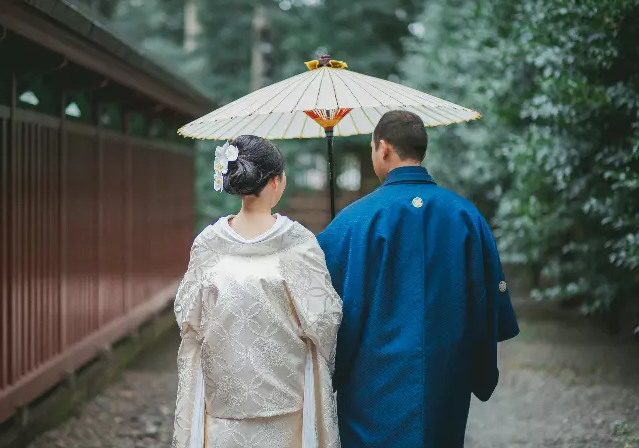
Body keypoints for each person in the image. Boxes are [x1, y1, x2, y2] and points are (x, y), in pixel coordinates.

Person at [317, 110, 520, 448]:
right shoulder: (466, 215)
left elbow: (322, 311)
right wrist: (476, 366)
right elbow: (487, 304)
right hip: (445, 375)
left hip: (372, 379)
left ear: (382, 148)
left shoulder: (352, 221)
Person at [172, 135, 342, 448]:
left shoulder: (209, 245)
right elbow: (325, 321)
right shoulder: (298, 244)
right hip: (285, 405)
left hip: (223, 405)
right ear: (277, 181)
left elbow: (188, 318)